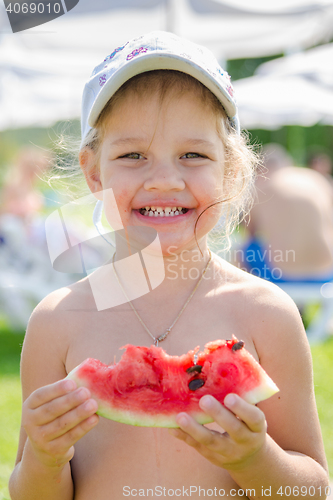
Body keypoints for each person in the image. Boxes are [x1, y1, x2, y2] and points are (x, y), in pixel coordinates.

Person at [9, 32, 329, 500]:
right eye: (132, 155)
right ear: (94, 172)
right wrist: (44, 456)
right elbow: (32, 493)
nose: (164, 179)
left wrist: (256, 459)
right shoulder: (57, 322)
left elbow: (313, 488)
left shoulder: (267, 314)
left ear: (231, 172)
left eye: (193, 155)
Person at [242, 143, 333, 282]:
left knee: (243, 250)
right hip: (327, 273)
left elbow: (249, 231)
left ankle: (247, 299)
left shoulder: (262, 186)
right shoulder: (317, 179)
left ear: (261, 169)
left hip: (281, 273)